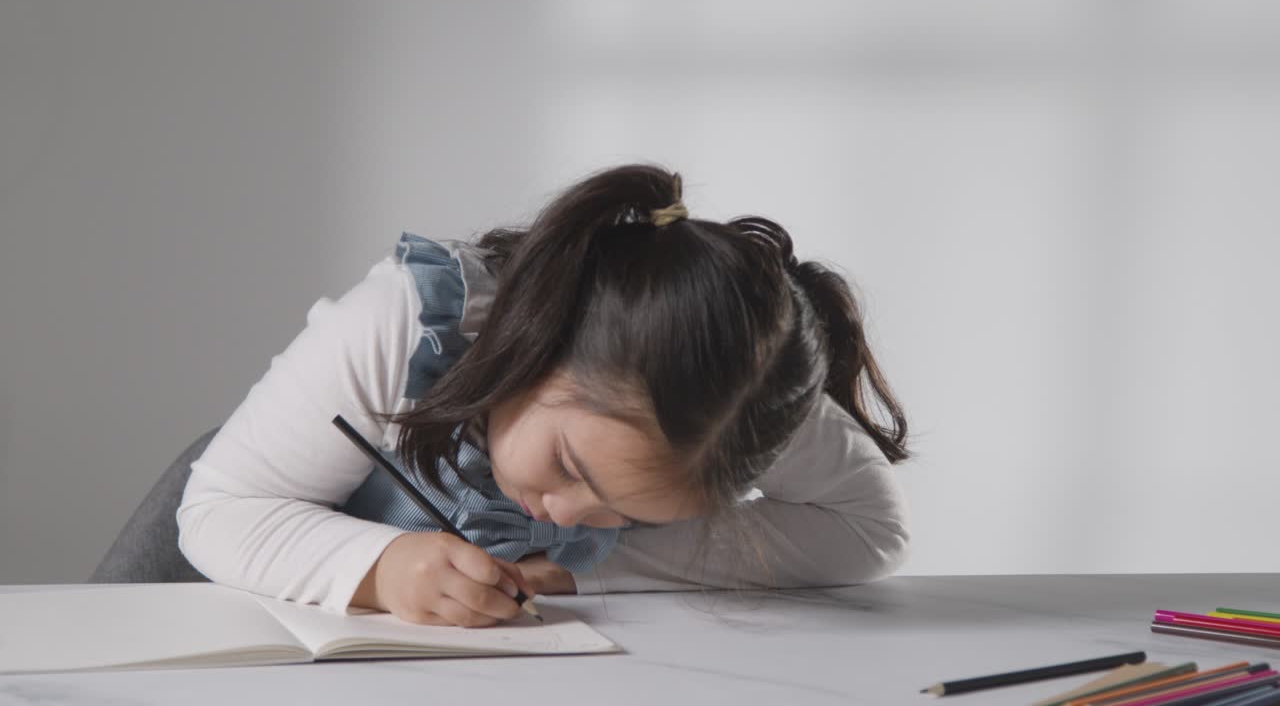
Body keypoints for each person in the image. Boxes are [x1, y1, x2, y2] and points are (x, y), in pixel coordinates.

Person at [176, 163, 913, 629]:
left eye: (625, 514)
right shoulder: (401, 325)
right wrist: (383, 570)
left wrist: (595, 568)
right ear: (543, 343)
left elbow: (870, 529)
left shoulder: (739, 400)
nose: (566, 515)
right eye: (568, 465)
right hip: (234, 586)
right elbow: (219, 512)